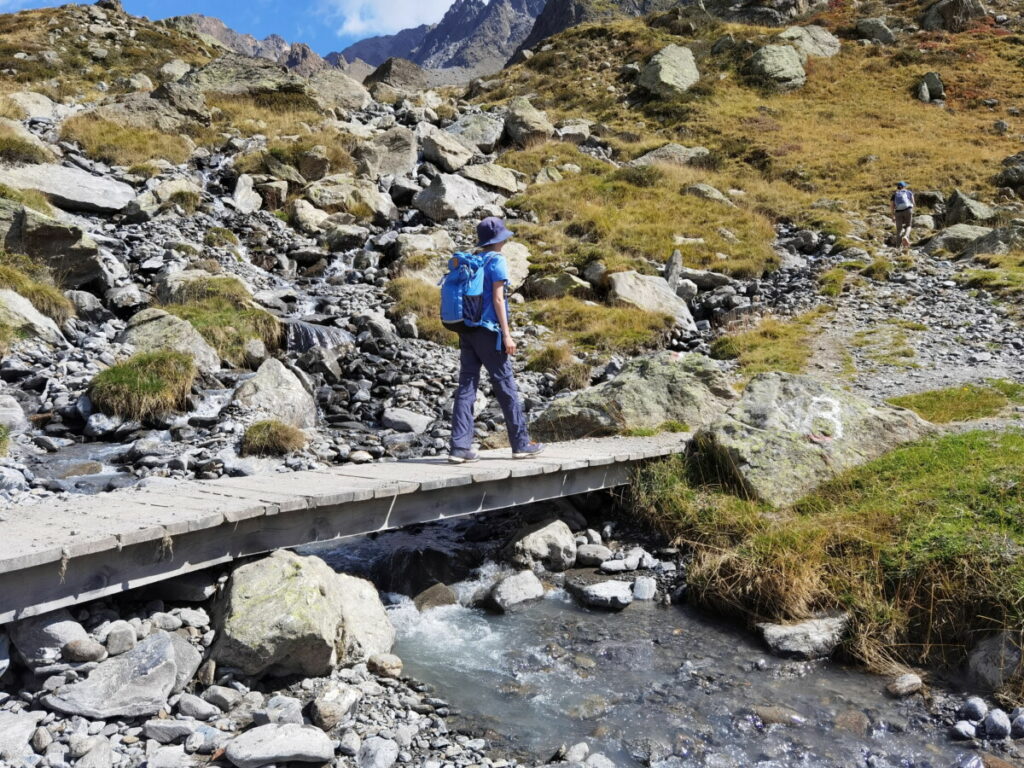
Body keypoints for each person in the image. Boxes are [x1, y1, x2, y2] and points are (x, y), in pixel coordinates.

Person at [448, 217, 545, 464]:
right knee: (505, 385)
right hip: (489, 332)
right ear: (500, 239)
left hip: (467, 330)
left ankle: (459, 448)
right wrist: (507, 334)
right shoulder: (497, 261)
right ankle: (521, 444)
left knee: (466, 386)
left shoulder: (475, 260)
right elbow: (499, 300)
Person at [891, 181, 915, 250]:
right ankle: (906, 236)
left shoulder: (894, 194)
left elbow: (892, 206)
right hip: (908, 209)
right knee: (908, 225)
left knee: (899, 229)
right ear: (904, 186)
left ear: (898, 187)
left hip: (898, 212)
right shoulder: (909, 192)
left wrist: (893, 216)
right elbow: (913, 203)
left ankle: (898, 247)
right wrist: (911, 210)